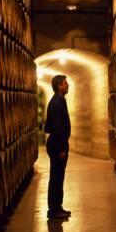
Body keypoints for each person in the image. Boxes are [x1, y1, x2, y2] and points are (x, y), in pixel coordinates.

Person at [44, 75, 72, 219]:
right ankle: (54, 210)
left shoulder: (60, 100)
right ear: (59, 86)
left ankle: (58, 207)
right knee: (56, 177)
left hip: (58, 142)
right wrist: (61, 149)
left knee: (59, 176)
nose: (68, 85)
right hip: (57, 144)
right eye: (65, 83)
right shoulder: (57, 103)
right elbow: (57, 128)